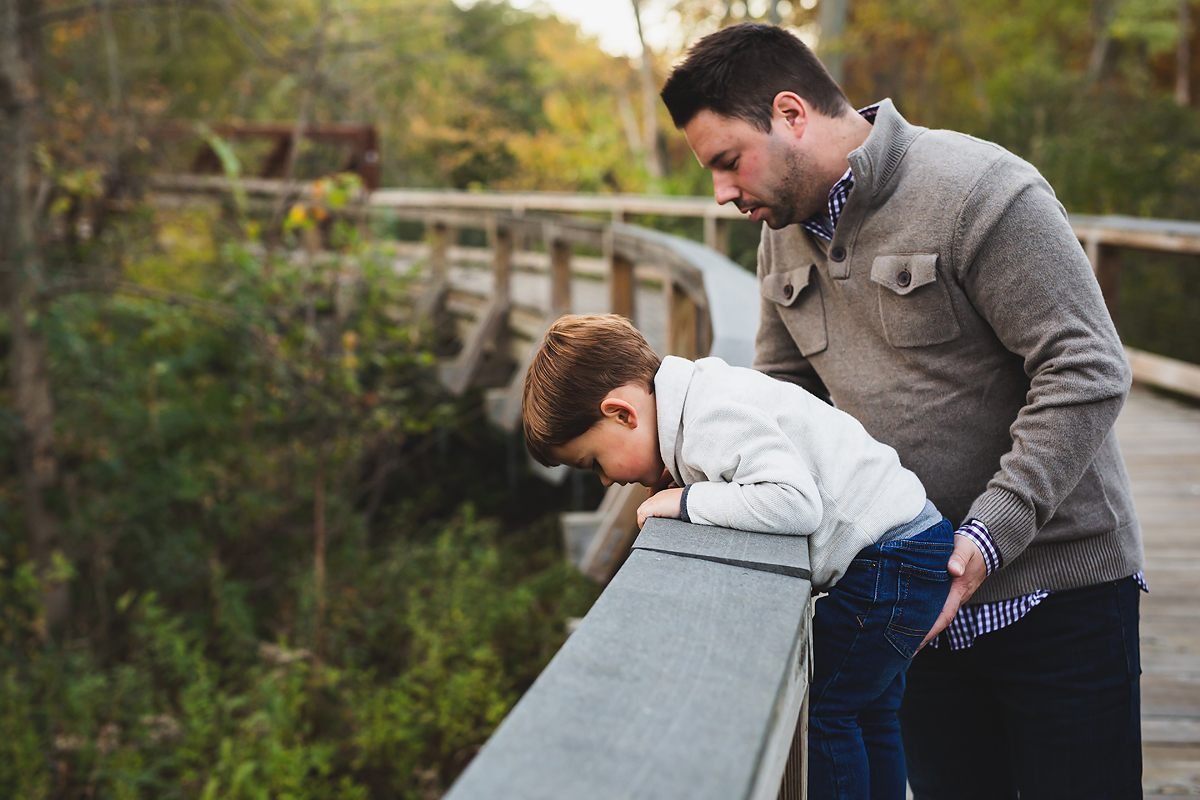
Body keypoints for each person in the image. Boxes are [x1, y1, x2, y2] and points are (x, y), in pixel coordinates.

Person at [659, 21, 1144, 800]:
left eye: (726, 162)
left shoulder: (983, 191)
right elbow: (781, 405)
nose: (721, 192)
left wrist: (987, 537)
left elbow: (1086, 370)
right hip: (910, 606)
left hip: (1056, 596)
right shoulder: (781, 240)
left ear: (791, 114)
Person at [523, 312, 955, 800]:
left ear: (623, 413)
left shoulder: (709, 418)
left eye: (594, 462)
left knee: (825, 712)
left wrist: (688, 501)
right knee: (869, 711)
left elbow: (795, 504)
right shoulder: (702, 394)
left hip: (890, 562)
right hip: (910, 544)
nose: (605, 480)